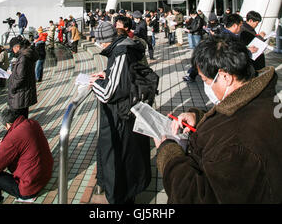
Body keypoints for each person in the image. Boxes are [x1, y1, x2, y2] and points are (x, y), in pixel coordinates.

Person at [154, 37, 282, 204]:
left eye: (206, 81)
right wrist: (198, 118)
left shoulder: (237, 145)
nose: (207, 86)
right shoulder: (262, 97)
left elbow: (197, 196)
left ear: (225, 77)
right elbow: (229, 119)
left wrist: (169, 152)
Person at [90, 22, 151, 204]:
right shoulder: (127, 45)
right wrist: (106, 74)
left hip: (121, 117)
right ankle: (127, 194)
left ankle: (120, 198)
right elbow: (122, 77)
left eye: (98, 41)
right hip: (131, 112)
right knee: (129, 160)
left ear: (104, 41)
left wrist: (94, 84)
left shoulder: (120, 53)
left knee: (119, 162)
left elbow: (108, 93)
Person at [0, 107, 53, 204]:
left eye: (5, 127)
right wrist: (4, 145)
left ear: (8, 124)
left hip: (30, 187)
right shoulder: (32, 123)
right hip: (45, 175)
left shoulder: (13, 138)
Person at [7, 36, 38, 118]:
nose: (13, 51)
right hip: (24, 93)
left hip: (20, 94)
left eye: (13, 48)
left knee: (18, 119)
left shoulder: (23, 58)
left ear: (17, 47)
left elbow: (20, 77)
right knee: (23, 117)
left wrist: (12, 87)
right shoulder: (27, 55)